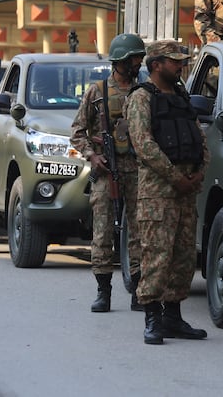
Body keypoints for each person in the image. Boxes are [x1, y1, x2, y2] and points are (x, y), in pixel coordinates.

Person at [124, 40, 210, 345]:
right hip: (159, 191)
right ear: (156, 64)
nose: (181, 65)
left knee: (184, 256)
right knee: (156, 255)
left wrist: (200, 169)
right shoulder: (141, 98)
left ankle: (173, 317)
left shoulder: (181, 95)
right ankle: (152, 318)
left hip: (186, 188)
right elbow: (143, 144)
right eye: (174, 61)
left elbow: (198, 135)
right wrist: (175, 177)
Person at [70, 33, 146, 313]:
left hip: (138, 170)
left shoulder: (145, 90)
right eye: (135, 58)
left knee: (139, 232)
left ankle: (139, 290)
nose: (139, 62)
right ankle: (104, 291)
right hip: (106, 171)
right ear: (122, 61)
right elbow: (77, 131)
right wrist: (93, 155)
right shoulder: (98, 91)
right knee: (102, 232)